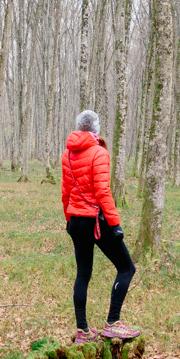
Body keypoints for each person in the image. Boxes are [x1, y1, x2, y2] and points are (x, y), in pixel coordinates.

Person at [61, 109, 140, 344]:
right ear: (96, 128)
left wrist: (68, 219)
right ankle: (112, 323)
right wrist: (115, 224)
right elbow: (103, 192)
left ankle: (83, 331)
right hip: (96, 220)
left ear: (78, 127)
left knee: (83, 274)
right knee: (127, 268)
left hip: (76, 220)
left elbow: (65, 192)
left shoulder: (67, 153)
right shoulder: (99, 152)